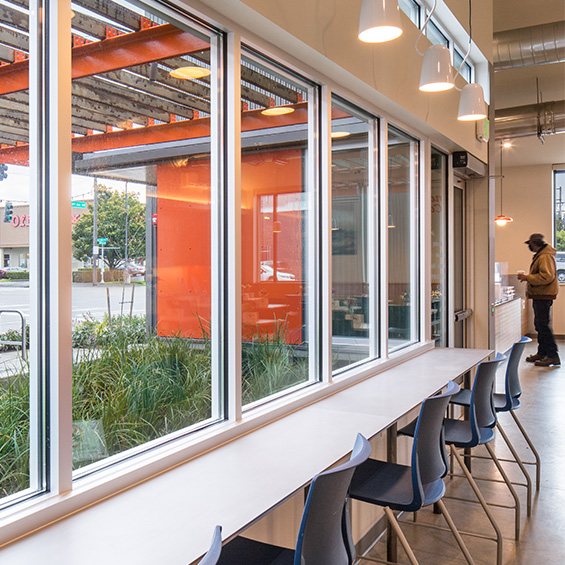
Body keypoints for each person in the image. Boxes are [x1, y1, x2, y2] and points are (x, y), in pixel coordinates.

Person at [517, 233, 560, 366]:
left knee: (543, 326)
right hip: (540, 294)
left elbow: (546, 277)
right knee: (540, 325)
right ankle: (542, 353)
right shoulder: (543, 255)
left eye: (530, 244)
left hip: (543, 295)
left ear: (535, 244)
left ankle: (552, 355)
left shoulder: (544, 256)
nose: (529, 247)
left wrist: (527, 278)